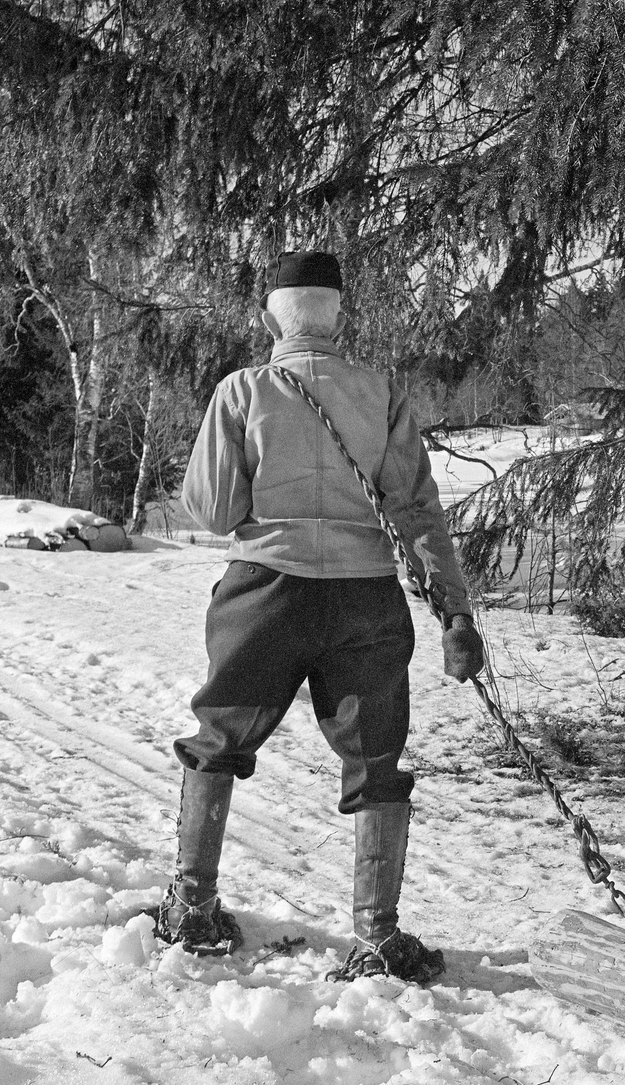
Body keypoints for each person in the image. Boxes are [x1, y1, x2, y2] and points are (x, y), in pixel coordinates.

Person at [150, 250, 484, 983]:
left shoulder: (244, 390)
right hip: (366, 597)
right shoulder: (380, 391)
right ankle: (379, 936)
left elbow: (212, 511)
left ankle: (193, 905)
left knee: (219, 739)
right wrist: (454, 612)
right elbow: (417, 509)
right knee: (377, 758)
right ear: (339, 315)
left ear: (272, 315)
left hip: (265, 590)